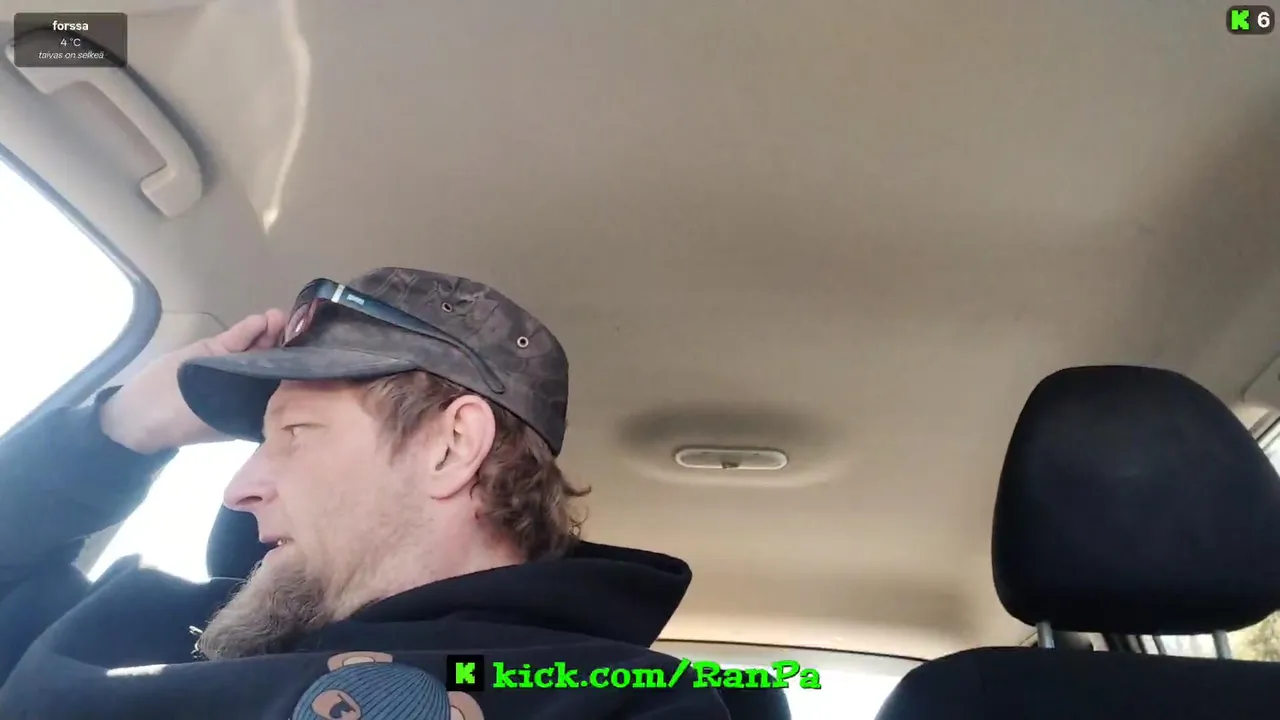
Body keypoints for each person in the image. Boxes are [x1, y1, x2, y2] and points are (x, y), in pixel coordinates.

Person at [0, 268, 731, 719]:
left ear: (451, 447)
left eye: (296, 433)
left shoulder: (620, 703)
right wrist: (126, 426)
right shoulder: (149, 625)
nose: (239, 490)